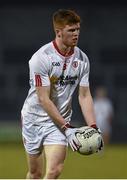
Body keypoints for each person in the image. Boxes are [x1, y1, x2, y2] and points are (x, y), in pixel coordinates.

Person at [21, 9, 103, 179]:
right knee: (35, 174)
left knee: (55, 171)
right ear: (58, 32)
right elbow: (43, 99)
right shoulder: (41, 58)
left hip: (58, 123)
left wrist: (94, 127)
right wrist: (67, 129)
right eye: (71, 30)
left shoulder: (82, 59)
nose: (76, 34)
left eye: (78, 29)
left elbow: (84, 95)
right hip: (33, 120)